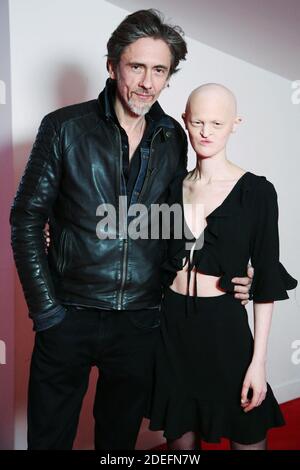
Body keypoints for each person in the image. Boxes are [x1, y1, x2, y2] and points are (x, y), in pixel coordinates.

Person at [10, 11, 252, 450]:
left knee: (119, 445)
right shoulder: (63, 127)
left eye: (159, 70)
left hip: (140, 322)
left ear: (168, 76)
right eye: (136, 66)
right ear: (112, 65)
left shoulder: (173, 137)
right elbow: (25, 219)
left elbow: (177, 221)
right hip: (68, 314)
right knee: (49, 440)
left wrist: (231, 270)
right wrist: (47, 311)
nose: (146, 81)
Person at [148, 83, 298, 450]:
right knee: (181, 442)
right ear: (185, 121)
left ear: (236, 123)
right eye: (197, 121)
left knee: (246, 435)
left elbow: (264, 278)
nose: (205, 132)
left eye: (216, 123)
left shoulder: (257, 192)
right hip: (170, 328)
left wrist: (258, 362)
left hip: (224, 328)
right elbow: (141, 248)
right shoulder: (170, 187)